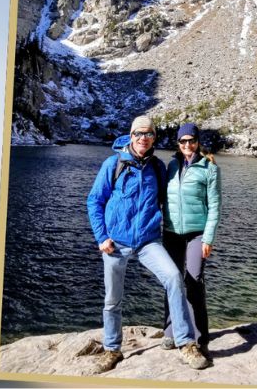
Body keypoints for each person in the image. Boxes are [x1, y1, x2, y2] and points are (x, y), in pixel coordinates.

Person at [87, 116, 209, 373]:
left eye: (149, 134)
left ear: (154, 138)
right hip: (115, 243)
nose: (144, 138)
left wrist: (198, 228)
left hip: (147, 241)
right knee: (112, 299)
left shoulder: (157, 168)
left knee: (174, 277)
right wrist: (101, 237)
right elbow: (94, 201)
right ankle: (112, 349)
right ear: (131, 136)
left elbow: (172, 198)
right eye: (139, 133)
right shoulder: (114, 164)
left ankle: (186, 343)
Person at [161, 123, 222, 362]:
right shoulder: (172, 165)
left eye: (191, 140)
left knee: (194, 280)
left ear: (198, 141)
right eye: (182, 141)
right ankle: (170, 331)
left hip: (197, 233)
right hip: (172, 232)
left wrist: (208, 237)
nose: (187, 145)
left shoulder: (209, 168)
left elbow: (215, 206)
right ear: (177, 143)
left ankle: (200, 337)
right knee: (172, 279)